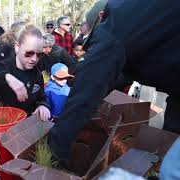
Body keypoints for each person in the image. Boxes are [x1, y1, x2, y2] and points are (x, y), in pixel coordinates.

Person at [48, 0, 180, 167]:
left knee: (172, 168)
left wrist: (54, 152)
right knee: (171, 148)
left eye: (93, 38)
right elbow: (118, 74)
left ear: (101, 18)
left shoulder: (116, 24)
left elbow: (86, 94)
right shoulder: (141, 19)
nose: (93, 45)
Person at [0, 25, 51, 121]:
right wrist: (5, 77)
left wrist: (43, 105)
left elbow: (41, 97)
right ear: (17, 47)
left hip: (24, 129)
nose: (34, 59)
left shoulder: (37, 74)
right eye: (29, 53)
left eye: (39, 54)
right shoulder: (2, 67)